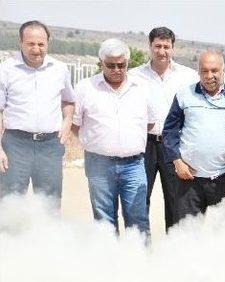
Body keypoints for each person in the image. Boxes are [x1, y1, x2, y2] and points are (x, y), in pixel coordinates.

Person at [72, 38, 155, 234]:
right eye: (111, 65)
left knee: (138, 220)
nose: (117, 69)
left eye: (121, 65)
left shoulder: (142, 88)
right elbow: (75, 125)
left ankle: (139, 262)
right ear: (101, 62)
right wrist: (97, 141)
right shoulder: (85, 88)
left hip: (134, 165)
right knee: (104, 220)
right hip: (98, 164)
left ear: (127, 62)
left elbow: (150, 123)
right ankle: (109, 263)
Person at [162, 51, 225, 220]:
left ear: (222, 70)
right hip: (189, 181)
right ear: (198, 71)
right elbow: (169, 131)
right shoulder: (184, 96)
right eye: (204, 71)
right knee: (187, 235)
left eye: (214, 70)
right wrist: (177, 161)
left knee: (222, 235)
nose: (209, 76)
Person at [129, 27, 198, 231]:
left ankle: (173, 254)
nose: (162, 51)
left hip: (174, 146)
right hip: (144, 144)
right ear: (149, 47)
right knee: (139, 199)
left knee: (177, 202)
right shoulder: (134, 76)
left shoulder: (188, 76)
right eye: (157, 46)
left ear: (173, 48)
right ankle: (140, 250)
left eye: (166, 47)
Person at [0, 20, 74, 206]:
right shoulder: (6, 70)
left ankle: (46, 236)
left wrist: (67, 123)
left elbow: (68, 100)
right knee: (11, 201)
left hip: (50, 145)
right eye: (31, 44)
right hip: (15, 145)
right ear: (20, 43)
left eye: (41, 44)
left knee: (50, 201)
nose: (36, 49)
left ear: (48, 43)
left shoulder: (59, 69)